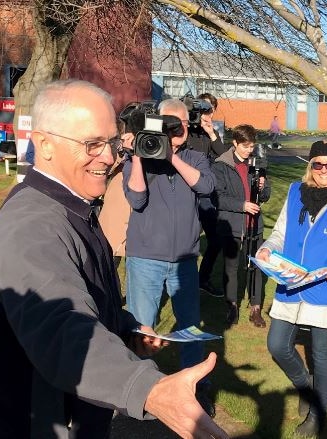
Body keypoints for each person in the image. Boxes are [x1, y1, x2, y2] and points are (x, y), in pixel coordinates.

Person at [0, 80, 227, 439]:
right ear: (44, 144)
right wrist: (148, 389)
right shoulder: (33, 224)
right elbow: (61, 328)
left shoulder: (72, 208)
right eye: (91, 144)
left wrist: (125, 326)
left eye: (110, 143)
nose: (108, 158)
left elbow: (88, 295)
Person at [257, 139, 327, 437]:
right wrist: (267, 249)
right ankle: (305, 386)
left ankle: (317, 414)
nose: (324, 170)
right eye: (317, 164)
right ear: (310, 167)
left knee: (322, 354)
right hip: (291, 284)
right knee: (277, 345)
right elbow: (279, 233)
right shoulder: (294, 192)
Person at [123, 98, 217, 416]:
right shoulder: (142, 156)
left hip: (185, 259)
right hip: (145, 257)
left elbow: (205, 186)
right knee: (141, 326)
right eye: (166, 125)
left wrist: (173, 156)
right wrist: (139, 155)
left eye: (177, 125)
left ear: (186, 127)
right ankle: (135, 389)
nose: (173, 130)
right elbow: (136, 199)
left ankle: (195, 389)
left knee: (190, 326)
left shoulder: (194, 157)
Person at [213, 124, 271, 327]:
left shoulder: (257, 164)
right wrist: (242, 205)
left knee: (256, 267)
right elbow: (218, 198)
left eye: (251, 146)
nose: (249, 150)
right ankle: (232, 306)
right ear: (235, 143)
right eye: (245, 146)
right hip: (233, 225)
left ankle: (256, 309)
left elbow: (265, 196)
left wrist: (263, 188)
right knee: (231, 268)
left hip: (255, 225)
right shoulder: (221, 165)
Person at [189, 92, 230, 298]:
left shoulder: (211, 132)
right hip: (185, 192)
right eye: (203, 109)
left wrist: (212, 134)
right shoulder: (185, 128)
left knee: (215, 240)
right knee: (185, 238)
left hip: (205, 194)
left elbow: (224, 158)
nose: (207, 114)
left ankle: (201, 279)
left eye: (210, 110)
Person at [99, 102, 138, 269]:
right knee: (109, 267)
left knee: (137, 269)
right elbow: (104, 169)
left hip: (138, 214)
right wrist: (124, 150)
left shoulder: (151, 143)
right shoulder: (115, 143)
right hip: (115, 212)